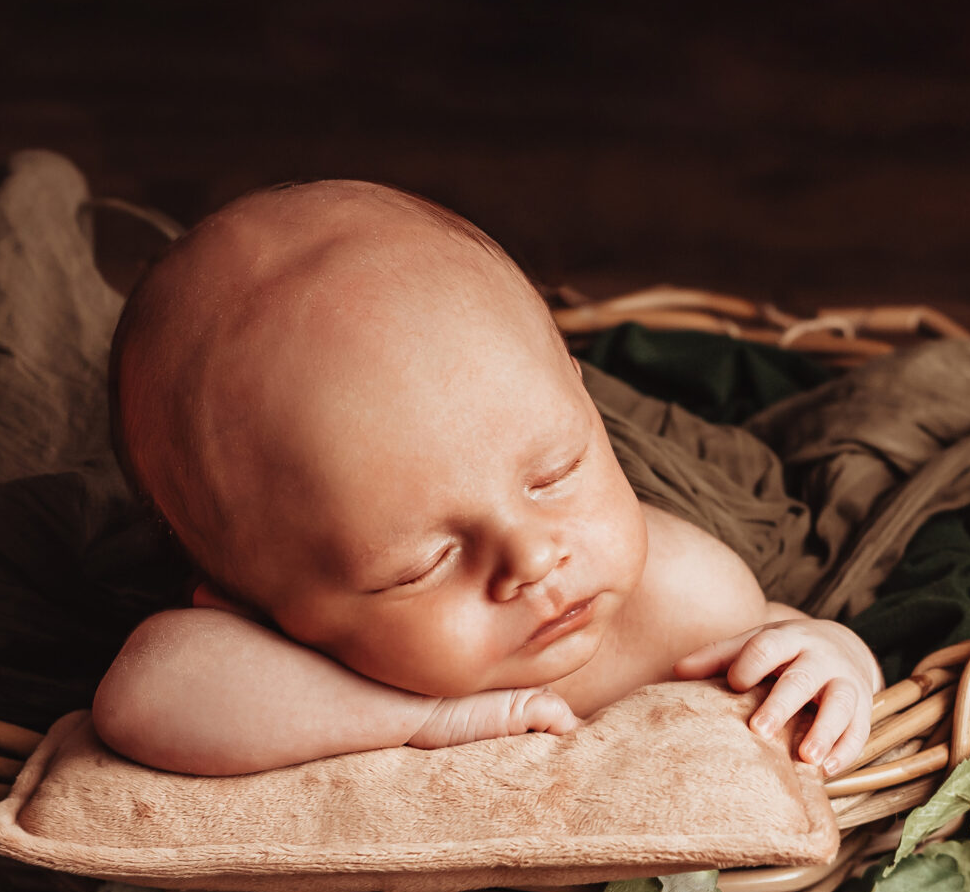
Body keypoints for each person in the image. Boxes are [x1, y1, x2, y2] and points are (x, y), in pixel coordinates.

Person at [92, 180, 879, 777]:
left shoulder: (682, 598)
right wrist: (416, 719)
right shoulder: (259, 654)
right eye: (423, 564)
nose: (533, 559)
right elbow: (141, 697)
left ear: (582, 396)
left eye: (556, 472)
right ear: (253, 606)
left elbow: (780, 649)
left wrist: (841, 653)